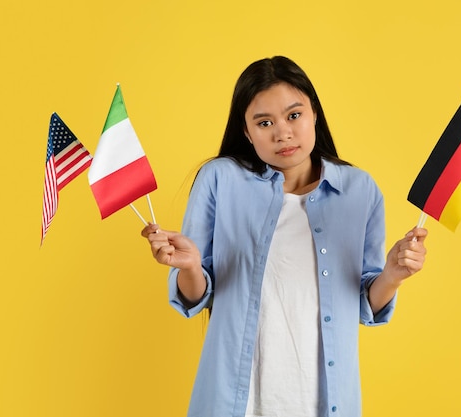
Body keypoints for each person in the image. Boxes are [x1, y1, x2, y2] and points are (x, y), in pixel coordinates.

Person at [141, 56, 428, 417]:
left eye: (294, 115)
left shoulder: (359, 190)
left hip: (323, 402)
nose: (283, 133)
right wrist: (191, 267)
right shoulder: (219, 180)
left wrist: (393, 275)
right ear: (246, 132)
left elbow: (363, 302)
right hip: (235, 402)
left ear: (314, 115)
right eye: (264, 123)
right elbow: (194, 296)